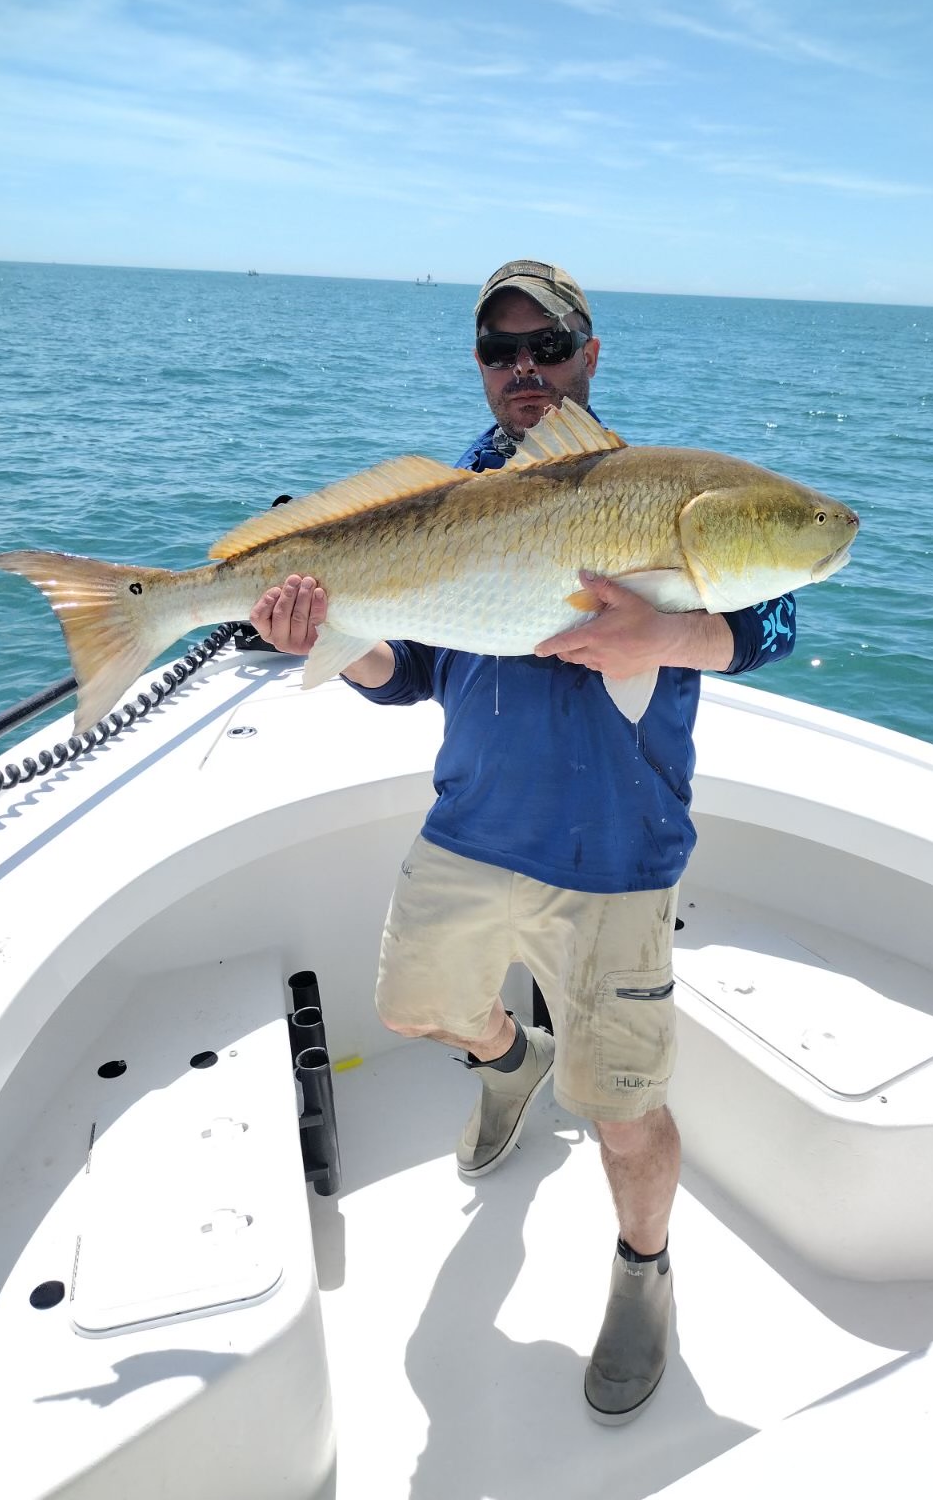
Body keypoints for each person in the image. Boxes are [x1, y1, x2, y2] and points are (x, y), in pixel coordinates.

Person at [250, 258, 797, 1425]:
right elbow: (407, 671)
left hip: (617, 857)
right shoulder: (447, 500)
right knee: (412, 1007)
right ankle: (510, 1058)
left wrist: (664, 634)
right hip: (472, 829)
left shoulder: (658, 493)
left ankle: (643, 1271)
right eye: (501, 350)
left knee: (624, 1111)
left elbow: (775, 618)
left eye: (547, 345)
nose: (525, 369)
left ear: (589, 354)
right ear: (481, 366)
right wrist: (327, 637)